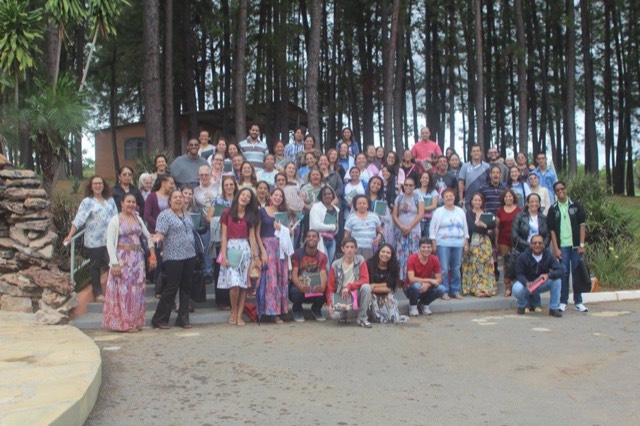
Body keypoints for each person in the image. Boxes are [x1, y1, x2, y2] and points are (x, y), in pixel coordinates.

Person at [104, 193, 156, 332]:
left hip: (137, 259)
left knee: (137, 290)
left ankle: (136, 321)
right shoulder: (116, 220)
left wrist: (152, 255)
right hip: (122, 259)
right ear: (122, 203)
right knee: (124, 291)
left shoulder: (137, 218)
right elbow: (109, 243)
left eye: (133, 202)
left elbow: (148, 237)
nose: (131, 204)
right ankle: (125, 323)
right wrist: (114, 263)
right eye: (128, 202)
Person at [64, 176, 118, 303]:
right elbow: (79, 220)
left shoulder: (110, 200)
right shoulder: (87, 202)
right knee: (95, 267)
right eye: (95, 184)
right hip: (94, 241)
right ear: (91, 186)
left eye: (100, 183)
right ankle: (98, 293)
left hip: (110, 240)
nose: (97, 186)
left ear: (104, 185)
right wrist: (70, 235)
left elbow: (117, 218)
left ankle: (114, 292)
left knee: (113, 265)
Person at [150, 190, 197, 329]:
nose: (178, 200)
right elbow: (160, 233)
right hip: (173, 257)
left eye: (180, 197)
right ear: (169, 201)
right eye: (175, 197)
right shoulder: (165, 215)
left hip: (189, 255)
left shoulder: (186, 215)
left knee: (186, 288)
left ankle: (183, 318)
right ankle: (159, 319)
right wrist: (157, 238)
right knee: (171, 287)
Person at [217, 188, 262, 326]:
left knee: (243, 284)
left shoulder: (250, 215)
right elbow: (223, 236)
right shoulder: (227, 213)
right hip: (231, 248)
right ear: (238, 196)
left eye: (248, 196)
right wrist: (223, 255)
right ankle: (234, 310)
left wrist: (255, 256)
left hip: (245, 250)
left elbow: (252, 237)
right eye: (243, 194)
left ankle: (239, 315)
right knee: (234, 283)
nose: (245, 197)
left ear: (250, 201)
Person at [548, 181, 588, 313]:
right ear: (555, 192)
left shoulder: (576, 206)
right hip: (562, 246)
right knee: (564, 273)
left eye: (562, 189)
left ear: (566, 189)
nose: (560, 192)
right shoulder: (553, 209)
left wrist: (582, 245)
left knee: (577, 273)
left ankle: (579, 301)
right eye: (557, 190)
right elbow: (552, 230)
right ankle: (563, 301)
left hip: (576, 246)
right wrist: (555, 248)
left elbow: (582, 225)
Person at [256, 188, 291, 324]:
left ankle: (279, 311)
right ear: (270, 196)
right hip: (267, 247)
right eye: (275, 195)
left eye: (280, 196)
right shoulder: (262, 211)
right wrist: (262, 251)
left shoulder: (283, 214)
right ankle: (270, 311)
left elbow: (289, 232)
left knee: (281, 280)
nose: (277, 198)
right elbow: (257, 233)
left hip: (281, 249)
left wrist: (282, 228)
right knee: (271, 280)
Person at [512, 193, 550, 312]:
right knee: (526, 276)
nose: (534, 203)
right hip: (524, 250)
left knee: (538, 275)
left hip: (540, 251)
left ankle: (536, 303)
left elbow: (547, 234)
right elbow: (515, 235)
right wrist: (530, 246)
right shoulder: (519, 216)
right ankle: (525, 303)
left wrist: (542, 245)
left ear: (539, 204)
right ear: (527, 203)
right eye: (531, 201)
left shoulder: (543, 218)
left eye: (536, 201)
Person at [429, 188, 469, 299]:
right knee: (444, 268)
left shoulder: (460, 211)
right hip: (443, 243)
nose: (449, 198)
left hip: (458, 243)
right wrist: (433, 241)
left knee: (456, 268)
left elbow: (465, 227)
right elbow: (432, 228)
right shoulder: (439, 211)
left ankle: (455, 290)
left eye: (451, 196)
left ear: (454, 197)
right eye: (446, 196)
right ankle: (444, 290)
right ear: (443, 198)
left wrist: (466, 242)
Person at [512, 234, 563, 317]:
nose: (537, 245)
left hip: (541, 284)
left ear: (543, 245)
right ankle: (522, 305)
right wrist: (526, 282)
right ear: (531, 245)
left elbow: (560, 270)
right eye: (535, 243)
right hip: (528, 285)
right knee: (516, 288)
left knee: (557, 280)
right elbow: (519, 274)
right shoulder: (523, 256)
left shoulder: (548, 255)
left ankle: (554, 308)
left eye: (540, 243)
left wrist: (548, 275)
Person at [326, 237, 372, 328]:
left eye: (352, 247)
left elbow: (365, 279)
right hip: (341, 295)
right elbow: (330, 287)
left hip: (356, 293)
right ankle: (343, 315)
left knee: (366, 287)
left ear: (356, 249)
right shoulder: (335, 264)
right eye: (347, 247)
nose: (349, 250)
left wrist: (349, 286)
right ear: (342, 249)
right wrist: (330, 303)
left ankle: (362, 318)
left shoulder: (360, 260)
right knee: (334, 315)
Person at [207, 175, 237, 309]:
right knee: (220, 269)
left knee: (234, 269)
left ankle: (234, 301)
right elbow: (208, 218)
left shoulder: (239, 200)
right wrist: (221, 220)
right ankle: (221, 300)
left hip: (236, 239)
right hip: (221, 239)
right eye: (226, 185)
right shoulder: (217, 200)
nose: (229, 187)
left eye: (231, 184)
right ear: (223, 187)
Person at [462, 193, 496, 297]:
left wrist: (483, 225)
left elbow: (493, 226)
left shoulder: (487, 213)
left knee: (486, 264)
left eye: (479, 200)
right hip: (474, 241)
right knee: (475, 265)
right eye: (475, 200)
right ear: (472, 202)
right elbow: (473, 227)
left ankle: (486, 288)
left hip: (485, 242)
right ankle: (476, 289)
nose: (477, 202)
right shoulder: (468, 214)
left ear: (482, 202)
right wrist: (486, 228)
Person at [289, 230, 328, 322]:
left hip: (315, 286)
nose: (311, 238)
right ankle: (297, 309)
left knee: (327, 288)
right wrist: (300, 286)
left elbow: (323, 274)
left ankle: (316, 309)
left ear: (318, 239)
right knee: (296, 290)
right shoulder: (297, 254)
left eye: (314, 236)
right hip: (300, 286)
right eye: (309, 236)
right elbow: (294, 274)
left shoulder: (322, 256)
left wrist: (323, 286)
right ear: (305, 239)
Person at [392, 177, 424, 280]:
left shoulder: (418, 197)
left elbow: (420, 214)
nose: (408, 187)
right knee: (400, 256)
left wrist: (410, 226)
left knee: (413, 255)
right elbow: (394, 215)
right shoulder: (399, 198)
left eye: (411, 185)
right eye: (406, 185)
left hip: (414, 231)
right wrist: (401, 226)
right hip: (400, 231)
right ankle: (401, 279)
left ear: (414, 187)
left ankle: (412, 278)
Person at [404, 237, 445, 315]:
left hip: (426, 287)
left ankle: (423, 304)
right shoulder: (411, 258)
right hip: (410, 288)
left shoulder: (435, 259)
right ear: (419, 247)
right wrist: (429, 281)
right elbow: (411, 279)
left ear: (432, 248)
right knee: (416, 285)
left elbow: (439, 279)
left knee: (441, 289)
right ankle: (413, 306)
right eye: (423, 247)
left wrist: (428, 285)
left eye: (428, 247)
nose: (426, 249)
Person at [367, 244, 404, 323]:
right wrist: (374, 288)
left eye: (388, 253)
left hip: (386, 294)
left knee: (392, 318)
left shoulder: (394, 266)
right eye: (383, 251)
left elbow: (389, 286)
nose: (385, 254)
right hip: (370, 294)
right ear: (378, 252)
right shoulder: (369, 263)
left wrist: (374, 285)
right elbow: (367, 285)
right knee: (377, 318)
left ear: (391, 255)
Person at [495, 189, 522, 297]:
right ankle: (508, 286)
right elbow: (497, 227)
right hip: (503, 240)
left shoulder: (519, 210)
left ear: (513, 197)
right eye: (506, 197)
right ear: (503, 198)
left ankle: (517, 284)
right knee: (506, 263)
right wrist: (496, 241)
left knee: (517, 262)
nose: (508, 198)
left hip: (516, 240)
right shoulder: (499, 211)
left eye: (510, 196)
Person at [194, 165, 218, 282]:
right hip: (203, 224)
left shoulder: (218, 188)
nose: (204, 177)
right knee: (206, 247)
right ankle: (208, 271)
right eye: (201, 175)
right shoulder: (195, 191)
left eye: (206, 174)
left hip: (217, 222)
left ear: (211, 175)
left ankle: (216, 270)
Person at [309, 186, 340, 266]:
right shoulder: (316, 207)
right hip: (319, 239)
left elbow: (336, 226)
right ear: (321, 196)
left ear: (333, 195)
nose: (327, 196)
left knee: (329, 263)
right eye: (324, 194)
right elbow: (316, 226)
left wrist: (335, 229)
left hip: (331, 240)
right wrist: (332, 227)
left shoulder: (336, 209)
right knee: (325, 265)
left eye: (329, 194)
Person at [344, 195, 383, 259]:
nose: (362, 205)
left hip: (370, 248)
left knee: (369, 267)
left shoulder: (374, 216)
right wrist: (347, 247)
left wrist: (378, 237)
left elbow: (380, 230)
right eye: (359, 203)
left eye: (364, 203)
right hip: (355, 248)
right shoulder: (351, 217)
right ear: (355, 205)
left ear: (368, 205)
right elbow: (346, 234)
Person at [367, 176, 394, 247]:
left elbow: (388, 219)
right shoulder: (362, 198)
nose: (376, 185)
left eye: (378, 184)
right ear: (369, 183)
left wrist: (380, 217)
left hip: (378, 232)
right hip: (364, 230)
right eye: (374, 183)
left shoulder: (382, 201)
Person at [418, 171, 439, 237]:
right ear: (420, 179)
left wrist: (421, 208)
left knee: (428, 238)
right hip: (418, 220)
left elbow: (434, 206)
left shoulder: (433, 192)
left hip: (429, 220)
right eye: (423, 177)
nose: (425, 179)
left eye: (427, 178)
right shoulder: (415, 192)